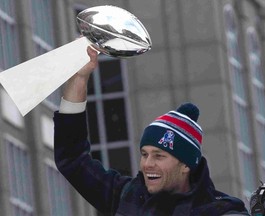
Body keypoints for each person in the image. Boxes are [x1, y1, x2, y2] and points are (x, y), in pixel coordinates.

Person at [53, 46, 249, 216]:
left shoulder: (219, 210)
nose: (147, 164)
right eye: (144, 154)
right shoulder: (127, 195)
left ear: (186, 165)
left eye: (159, 156)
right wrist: (80, 78)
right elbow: (72, 159)